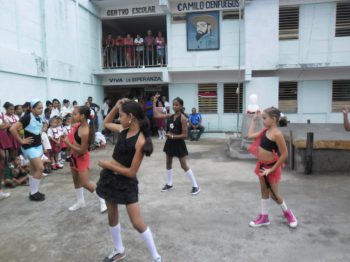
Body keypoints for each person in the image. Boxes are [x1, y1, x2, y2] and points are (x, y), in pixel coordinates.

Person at [96, 99, 162, 262]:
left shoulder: (140, 141)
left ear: (131, 116)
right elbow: (106, 122)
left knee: (137, 222)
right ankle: (119, 250)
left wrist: (108, 165)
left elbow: (132, 172)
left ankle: (156, 257)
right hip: (110, 179)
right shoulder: (123, 129)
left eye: (121, 115)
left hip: (126, 183)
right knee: (112, 214)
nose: (119, 118)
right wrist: (117, 106)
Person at [247, 107, 297, 228]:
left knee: (274, 195)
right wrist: (253, 120)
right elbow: (249, 136)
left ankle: (288, 213)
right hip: (262, 166)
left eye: (264, 118)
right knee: (264, 191)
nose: (262, 120)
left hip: (271, 168)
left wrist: (272, 169)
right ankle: (264, 217)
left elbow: (285, 154)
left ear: (273, 119)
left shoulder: (277, 134)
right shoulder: (265, 130)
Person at [153, 95, 200, 195]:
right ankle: (169, 184)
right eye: (173, 104)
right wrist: (154, 102)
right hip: (169, 143)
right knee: (168, 163)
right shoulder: (171, 116)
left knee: (183, 165)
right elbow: (156, 115)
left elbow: (185, 135)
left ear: (181, 106)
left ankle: (195, 186)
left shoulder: (182, 118)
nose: (174, 106)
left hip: (178, 143)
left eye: (177, 105)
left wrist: (173, 137)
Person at [63, 106, 107, 213]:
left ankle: (103, 199)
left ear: (82, 116)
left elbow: (83, 151)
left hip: (81, 158)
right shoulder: (77, 125)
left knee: (85, 182)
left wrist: (68, 144)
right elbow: (70, 136)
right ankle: (80, 201)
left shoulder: (85, 131)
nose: (72, 116)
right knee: (76, 180)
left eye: (74, 114)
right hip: (74, 157)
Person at [10, 99, 46, 201]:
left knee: (33, 169)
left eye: (42, 108)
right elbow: (12, 129)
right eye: (39, 108)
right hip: (29, 147)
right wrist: (21, 140)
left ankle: (33, 192)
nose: (41, 110)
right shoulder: (27, 117)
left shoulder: (38, 117)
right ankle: (34, 192)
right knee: (40, 168)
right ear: (32, 108)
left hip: (37, 146)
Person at [0, 113, 11, 200]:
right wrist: (3, 125)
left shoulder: (1, 114)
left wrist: (4, 125)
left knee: (2, 164)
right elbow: (5, 125)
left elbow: (7, 124)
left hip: (2, 139)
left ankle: (0, 191)